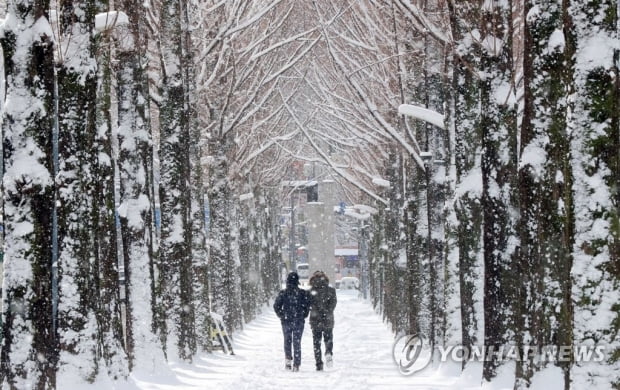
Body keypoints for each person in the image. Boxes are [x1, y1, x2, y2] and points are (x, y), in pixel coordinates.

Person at [273, 272, 310, 371]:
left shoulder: (283, 293)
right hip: (298, 321)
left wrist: (282, 315)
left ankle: (288, 360)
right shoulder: (302, 293)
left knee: (287, 341)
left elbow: (276, 306)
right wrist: (303, 315)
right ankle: (296, 364)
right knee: (297, 342)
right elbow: (307, 306)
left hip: (286, 321)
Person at [309, 270, 337, 371]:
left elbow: (308, 305)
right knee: (328, 338)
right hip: (328, 319)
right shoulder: (331, 290)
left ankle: (318, 363)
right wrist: (327, 312)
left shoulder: (311, 291)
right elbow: (333, 304)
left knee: (316, 342)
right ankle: (328, 352)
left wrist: (315, 311)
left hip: (315, 319)